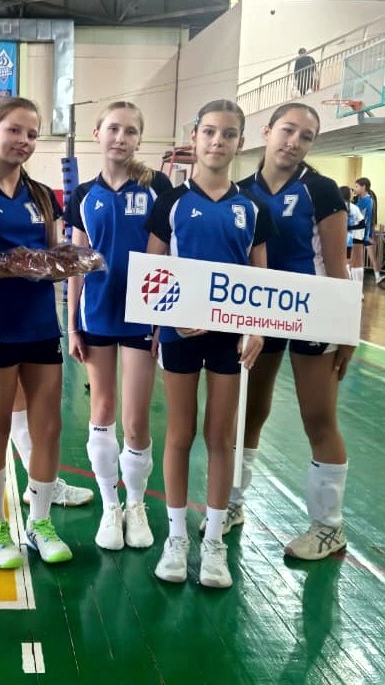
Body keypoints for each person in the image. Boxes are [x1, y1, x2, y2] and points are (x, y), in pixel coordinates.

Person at [148, 99, 270, 589]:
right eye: (210, 132)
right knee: (180, 434)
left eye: (229, 134)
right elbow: (153, 273)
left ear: (241, 142)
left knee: (221, 436)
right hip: (180, 335)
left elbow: (261, 279)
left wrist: (256, 328)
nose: (218, 141)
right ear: (194, 137)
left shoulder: (252, 208)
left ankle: (215, 539)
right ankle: (176, 537)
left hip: (229, 339)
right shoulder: (171, 202)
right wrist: (167, 320)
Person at [222, 103, 352, 561]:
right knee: (249, 412)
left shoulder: (321, 189)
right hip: (260, 314)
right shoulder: (241, 191)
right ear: (267, 131)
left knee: (319, 417)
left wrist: (346, 332)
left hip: (312, 314)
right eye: (288, 130)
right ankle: (232, 502)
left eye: (306, 136)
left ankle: (328, 528)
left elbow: (337, 267)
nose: (294, 142)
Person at [0, 97, 73, 569]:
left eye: (31, 134)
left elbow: (53, 257)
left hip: (41, 325)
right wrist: (2, 266)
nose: (23, 141)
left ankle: (40, 522)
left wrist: (71, 260)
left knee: (48, 425)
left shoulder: (43, 196)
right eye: (13, 130)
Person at [66, 101, 171, 550]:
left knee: (136, 419)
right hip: (97, 313)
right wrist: (72, 324)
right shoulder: (82, 194)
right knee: (103, 408)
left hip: (142, 315)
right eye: (113, 129)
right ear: (97, 133)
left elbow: (166, 257)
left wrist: (163, 318)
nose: (120, 138)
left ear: (139, 139)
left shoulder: (156, 187)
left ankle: (136, 504)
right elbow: (77, 261)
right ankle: (110, 506)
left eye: (130, 131)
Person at [353, 177, 381, 284]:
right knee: (361, 257)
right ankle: (376, 276)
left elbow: (366, 219)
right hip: (359, 232)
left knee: (363, 257)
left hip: (362, 232)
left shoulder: (368, 201)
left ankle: (375, 276)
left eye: (357, 186)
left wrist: (366, 235)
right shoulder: (359, 199)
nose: (355, 189)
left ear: (363, 187)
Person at [340, 185, 364, 276]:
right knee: (347, 263)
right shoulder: (355, 208)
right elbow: (362, 223)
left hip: (335, 239)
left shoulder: (335, 206)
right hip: (349, 240)